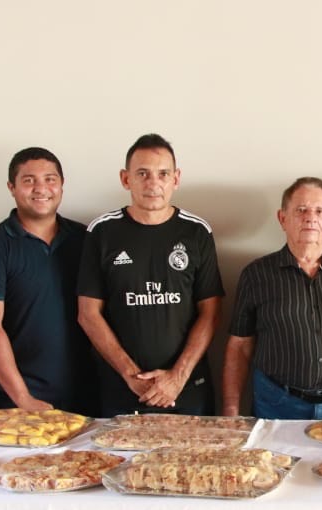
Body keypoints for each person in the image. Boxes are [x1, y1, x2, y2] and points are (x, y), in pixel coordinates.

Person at [77, 134, 223, 417]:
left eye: (163, 174)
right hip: (121, 389)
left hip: (187, 388)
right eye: (142, 173)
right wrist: (131, 376)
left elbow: (211, 313)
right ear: (125, 178)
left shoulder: (196, 232)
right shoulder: (102, 232)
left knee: (195, 461)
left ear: (176, 179)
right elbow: (88, 314)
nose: (153, 183)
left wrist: (177, 377)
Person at [222, 177, 322, 419]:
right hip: (276, 404)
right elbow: (240, 346)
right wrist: (231, 409)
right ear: (282, 218)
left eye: (319, 211)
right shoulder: (256, 274)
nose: (310, 217)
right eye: (301, 210)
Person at [0, 147, 97, 415]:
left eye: (50, 179)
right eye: (29, 180)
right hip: (23, 400)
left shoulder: (87, 240)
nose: (41, 188)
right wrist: (23, 398)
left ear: (61, 184)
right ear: (11, 187)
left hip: (90, 394)